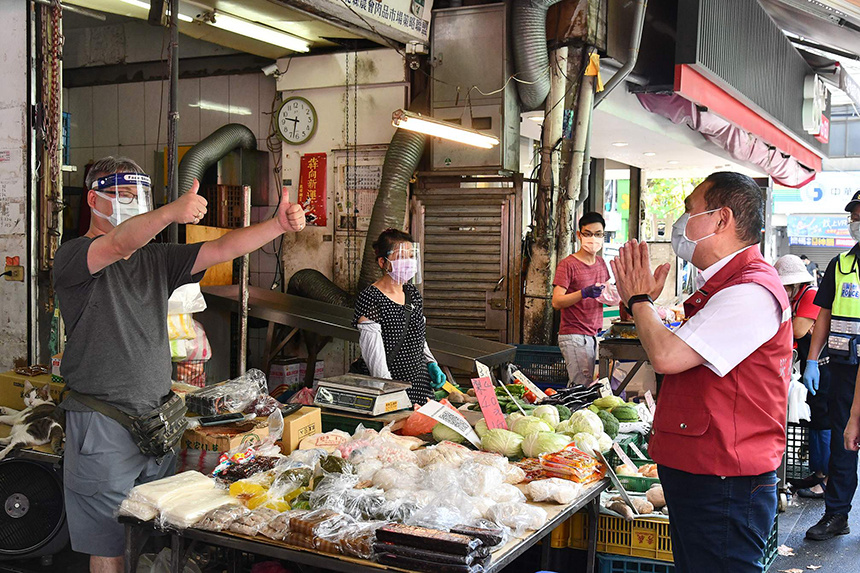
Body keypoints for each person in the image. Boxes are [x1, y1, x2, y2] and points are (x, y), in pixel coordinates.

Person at [53, 156, 307, 573]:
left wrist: (276, 226)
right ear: (94, 200)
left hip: (156, 423)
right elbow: (118, 244)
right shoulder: (75, 257)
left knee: (151, 534)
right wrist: (171, 211)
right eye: (124, 196)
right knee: (109, 543)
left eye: (142, 197)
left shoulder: (156, 259)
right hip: (102, 425)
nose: (135, 205)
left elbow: (223, 248)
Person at [611, 172, 791, 573]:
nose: (681, 221)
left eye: (690, 210)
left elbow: (668, 356)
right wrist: (644, 307)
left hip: (725, 480)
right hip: (704, 472)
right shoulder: (723, 286)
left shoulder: (751, 291)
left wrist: (639, 300)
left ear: (721, 219)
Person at [803, 190, 860, 540]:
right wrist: (811, 359)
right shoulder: (840, 265)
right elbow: (823, 315)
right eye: (855, 215)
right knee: (843, 443)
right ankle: (836, 514)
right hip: (844, 369)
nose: (857, 221)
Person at [353, 229, 446, 405]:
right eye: (402, 256)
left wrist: (431, 362)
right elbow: (373, 354)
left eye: (411, 256)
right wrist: (390, 391)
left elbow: (417, 334)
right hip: (392, 389)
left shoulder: (412, 293)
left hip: (421, 387)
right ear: (383, 262)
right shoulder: (371, 298)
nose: (409, 262)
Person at [774, 254, 830, 499]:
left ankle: (827, 479)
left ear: (796, 284)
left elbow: (797, 329)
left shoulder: (809, 295)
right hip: (810, 364)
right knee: (814, 422)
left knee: (825, 422)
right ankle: (818, 472)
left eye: (786, 286)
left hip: (823, 367)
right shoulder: (797, 299)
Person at [551, 212, 611, 387]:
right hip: (574, 335)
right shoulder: (568, 265)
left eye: (598, 234)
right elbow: (556, 302)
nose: (593, 239)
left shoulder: (601, 263)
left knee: (586, 386)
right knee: (580, 386)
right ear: (579, 235)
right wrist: (582, 293)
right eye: (588, 233)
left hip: (593, 334)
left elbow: (606, 295)